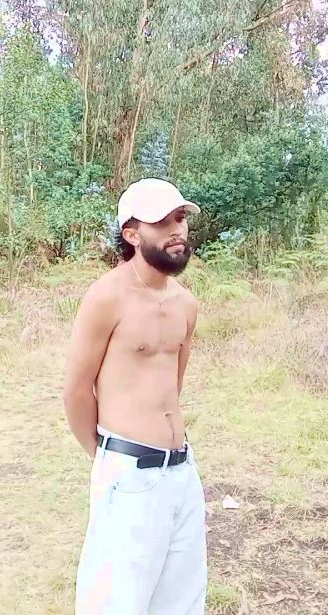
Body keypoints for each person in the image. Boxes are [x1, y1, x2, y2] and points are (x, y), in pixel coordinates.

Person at [63, 178, 207, 614]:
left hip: (182, 471)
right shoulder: (107, 296)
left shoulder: (186, 303)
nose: (176, 229)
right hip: (128, 474)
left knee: (181, 602)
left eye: (179, 218)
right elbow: (76, 390)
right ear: (131, 234)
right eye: (161, 222)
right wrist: (108, 457)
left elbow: (172, 385)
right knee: (117, 602)